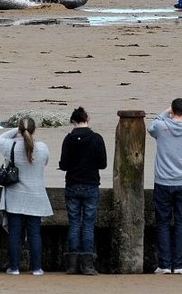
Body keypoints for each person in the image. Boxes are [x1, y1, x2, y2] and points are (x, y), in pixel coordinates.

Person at [148, 98, 182, 275]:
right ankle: (178, 265)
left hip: (163, 180)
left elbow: (151, 126)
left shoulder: (161, 127)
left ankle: (164, 264)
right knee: (181, 223)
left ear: (172, 110)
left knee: (162, 223)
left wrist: (165, 112)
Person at [0, 117, 53, 276]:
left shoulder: (10, 146)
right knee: (35, 233)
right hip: (36, 196)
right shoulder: (42, 148)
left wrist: (17, 130)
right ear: (34, 131)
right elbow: (45, 162)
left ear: (19, 131)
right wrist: (25, 131)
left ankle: (14, 268)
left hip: (14, 196)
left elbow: (0, 138)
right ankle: (37, 268)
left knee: (14, 233)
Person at [58, 106, 107, 276]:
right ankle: (87, 265)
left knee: (74, 224)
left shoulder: (68, 139)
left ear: (73, 120)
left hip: (72, 185)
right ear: (87, 118)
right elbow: (103, 164)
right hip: (91, 185)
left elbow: (63, 165)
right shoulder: (96, 139)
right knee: (87, 225)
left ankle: (72, 265)